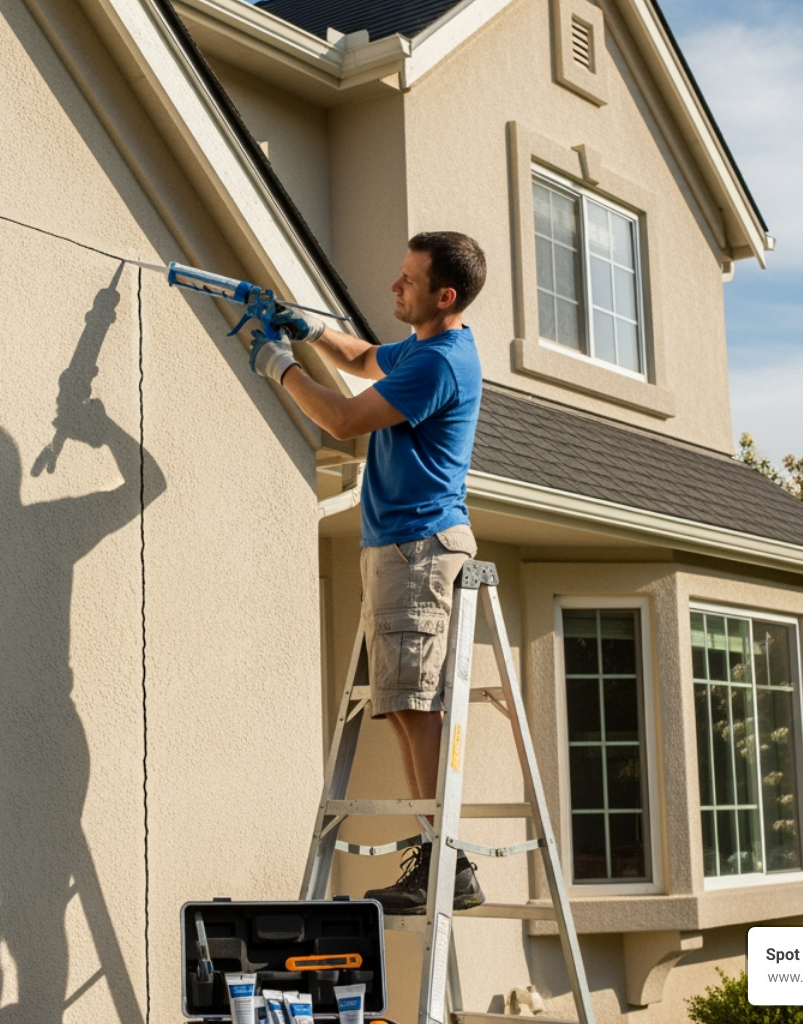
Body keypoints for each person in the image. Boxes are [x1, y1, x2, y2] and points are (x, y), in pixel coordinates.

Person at [247, 231, 487, 914]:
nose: (394, 287)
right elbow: (360, 357)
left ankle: (447, 861)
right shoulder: (422, 348)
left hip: (418, 550)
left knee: (415, 707)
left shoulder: (441, 363)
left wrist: (279, 366)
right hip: (401, 547)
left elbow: (347, 419)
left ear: (445, 296)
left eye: (408, 280)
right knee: (406, 708)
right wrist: (310, 329)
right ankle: (442, 853)